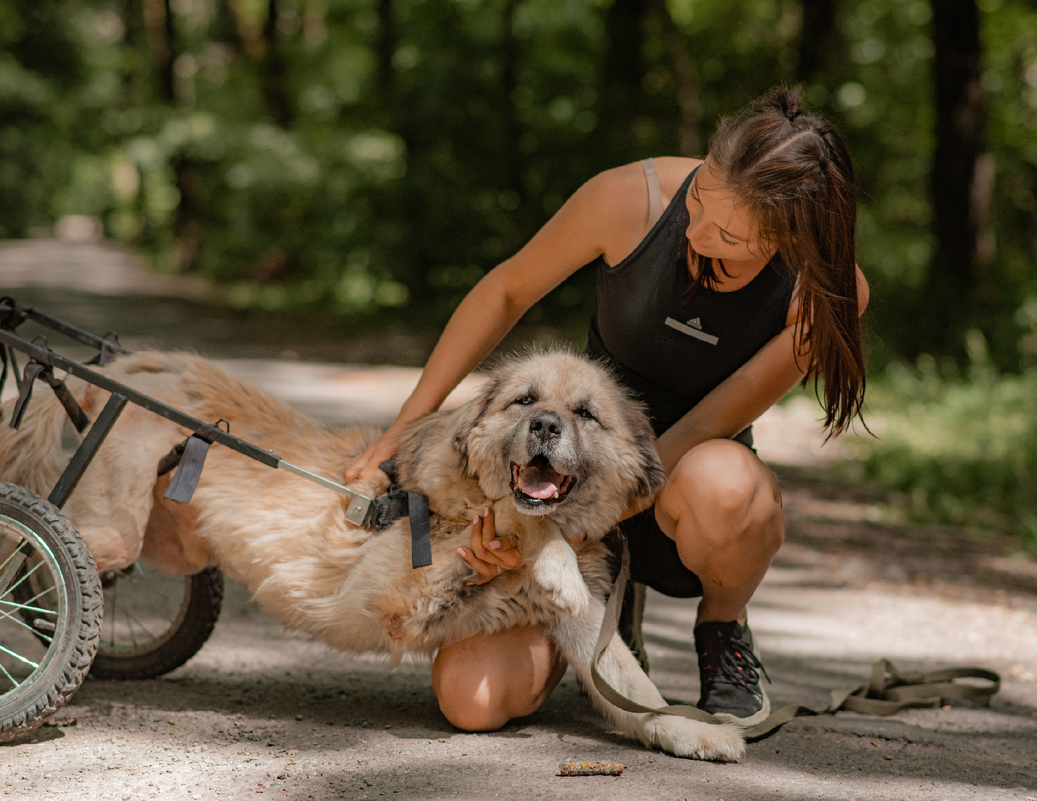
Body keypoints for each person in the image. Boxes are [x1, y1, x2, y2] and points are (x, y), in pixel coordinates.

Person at [345, 86, 869, 731]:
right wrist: (408, 425)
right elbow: (505, 292)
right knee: (471, 701)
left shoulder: (824, 294)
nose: (698, 233)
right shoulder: (630, 198)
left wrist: (571, 532)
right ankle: (609, 616)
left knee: (730, 484)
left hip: (674, 482)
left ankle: (723, 633)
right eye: (701, 197)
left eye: (730, 234)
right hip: (555, 481)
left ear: (792, 238)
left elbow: (712, 421)